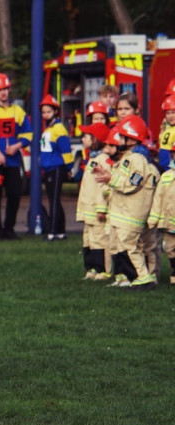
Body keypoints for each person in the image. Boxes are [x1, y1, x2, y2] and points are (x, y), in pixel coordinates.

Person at [93, 115, 158, 291]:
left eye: (121, 137)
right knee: (126, 246)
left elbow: (133, 183)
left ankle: (143, 277)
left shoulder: (137, 160)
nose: (118, 140)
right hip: (122, 213)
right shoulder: (128, 158)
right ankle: (134, 277)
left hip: (130, 215)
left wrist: (110, 178)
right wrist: (108, 178)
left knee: (130, 246)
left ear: (131, 139)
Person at [0, 72, 32, 240]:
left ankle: (9, 229)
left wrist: (18, 146)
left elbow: (29, 133)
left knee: (14, 194)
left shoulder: (18, 111)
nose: (3, 92)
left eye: (5, 88)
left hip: (13, 161)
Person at [74, 123, 113, 280]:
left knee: (99, 240)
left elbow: (103, 187)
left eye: (86, 136)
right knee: (88, 240)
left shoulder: (103, 161)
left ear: (95, 139)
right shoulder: (93, 159)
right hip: (88, 210)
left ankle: (102, 268)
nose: (82, 139)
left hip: (97, 210)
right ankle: (91, 268)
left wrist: (101, 208)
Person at [39, 94, 74, 241]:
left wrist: (69, 167)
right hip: (50, 168)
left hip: (56, 167)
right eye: (44, 112)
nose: (45, 114)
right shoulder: (50, 128)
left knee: (54, 200)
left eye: (48, 111)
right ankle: (59, 231)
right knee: (54, 200)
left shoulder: (58, 128)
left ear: (55, 111)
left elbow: (65, 149)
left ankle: (53, 232)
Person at [147, 144, 175, 285]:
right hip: (168, 222)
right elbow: (158, 199)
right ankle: (174, 272)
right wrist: (154, 218)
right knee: (170, 248)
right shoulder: (166, 176)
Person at [157, 94, 175, 171]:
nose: (170, 116)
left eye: (173, 112)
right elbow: (164, 156)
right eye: (167, 113)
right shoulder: (167, 131)